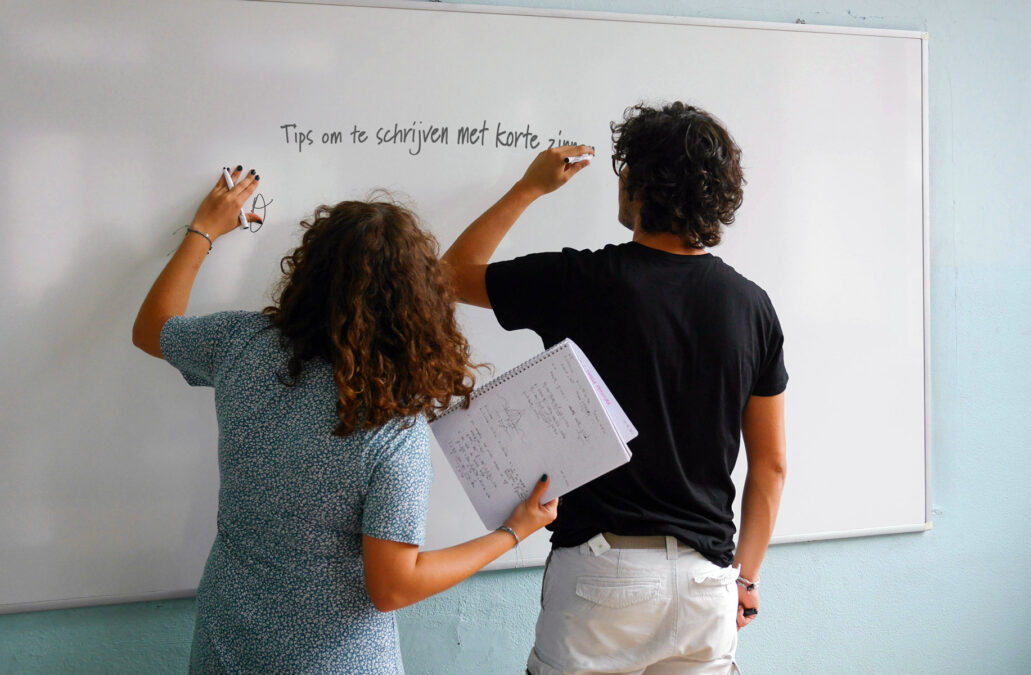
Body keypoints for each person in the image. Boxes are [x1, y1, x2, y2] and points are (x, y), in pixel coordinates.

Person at [132, 166, 558, 674]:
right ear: (416, 305)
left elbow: (152, 328)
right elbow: (393, 588)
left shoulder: (241, 344)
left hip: (228, 645)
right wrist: (511, 534)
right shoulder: (391, 430)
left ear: (307, 272)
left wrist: (204, 230)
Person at [442, 102, 788, 674]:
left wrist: (528, 189)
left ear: (640, 183)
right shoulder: (752, 306)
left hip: (603, 575)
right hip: (707, 583)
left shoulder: (578, 282)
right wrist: (744, 578)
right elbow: (771, 468)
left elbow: (449, 274)